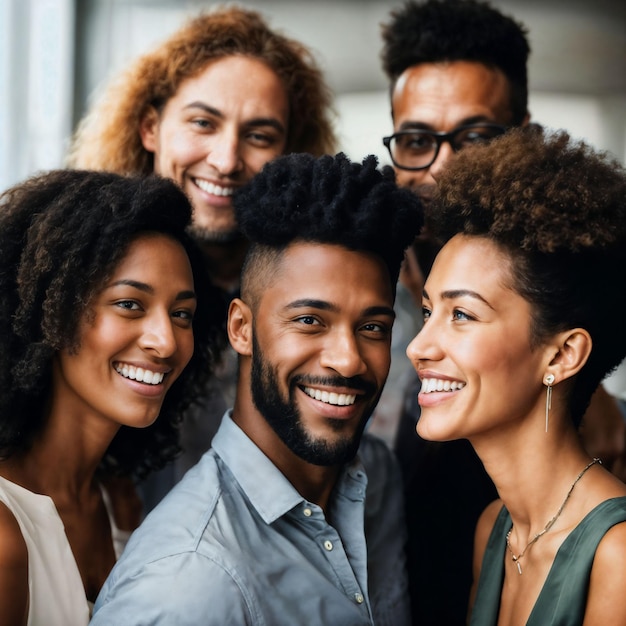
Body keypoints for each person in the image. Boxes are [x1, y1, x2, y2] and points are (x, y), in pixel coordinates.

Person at [90, 152, 423, 625]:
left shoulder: (377, 479)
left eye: (372, 328)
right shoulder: (188, 583)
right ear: (241, 328)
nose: (348, 359)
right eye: (310, 321)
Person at [67, 5, 337, 510]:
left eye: (259, 136)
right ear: (150, 127)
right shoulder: (70, 271)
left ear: (291, 153)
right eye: (202, 122)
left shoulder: (322, 300)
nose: (227, 159)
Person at [407, 127, 626, 625]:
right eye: (427, 313)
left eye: (461, 314)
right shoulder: (494, 531)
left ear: (562, 355)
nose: (418, 347)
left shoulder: (618, 555)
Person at [0, 170, 226, 624]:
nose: (166, 341)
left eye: (182, 314)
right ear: (53, 306)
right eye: (129, 304)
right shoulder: (5, 537)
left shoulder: (119, 502)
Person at [378, 1, 531, 622]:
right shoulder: (353, 281)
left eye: (472, 138)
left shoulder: (557, 305)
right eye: (417, 140)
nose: (440, 166)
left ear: (525, 134)